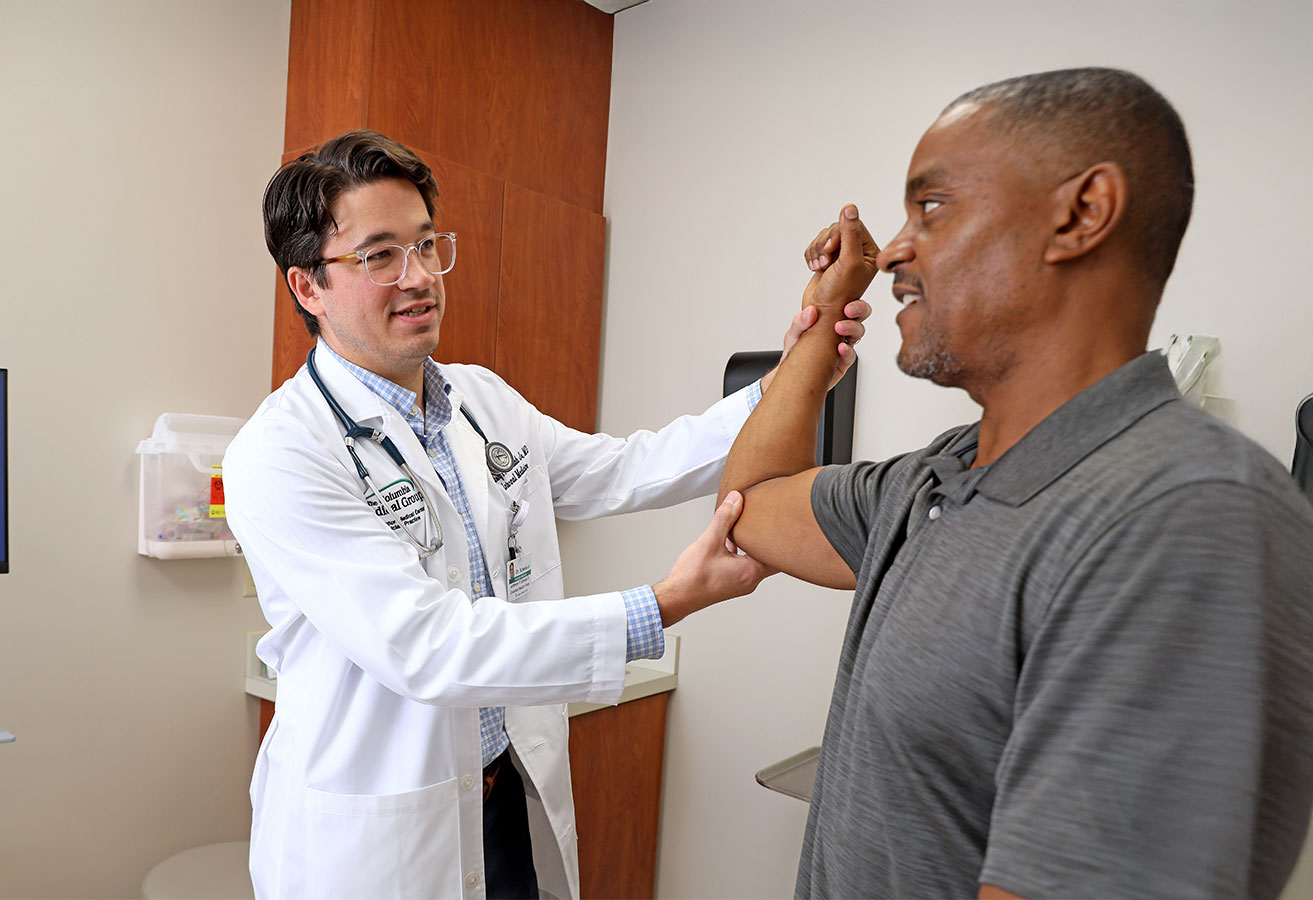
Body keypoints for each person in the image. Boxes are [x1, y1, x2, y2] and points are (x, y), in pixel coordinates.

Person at [223, 129, 868, 900]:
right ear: (306, 287)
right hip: (378, 839)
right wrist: (666, 603)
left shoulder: (481, 400)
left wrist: (794, 376)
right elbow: (428, 647)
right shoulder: (281, 451)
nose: (419, 277)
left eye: (428, 246)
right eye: (379, 255)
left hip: (503, 796)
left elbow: (627, 469)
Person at [719, 68, 1313, 899]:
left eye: (931, 207)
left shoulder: (1188, 515)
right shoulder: (934, 480)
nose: (891, 250)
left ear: (1079, 215)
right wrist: (820, 317)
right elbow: (747, 510)